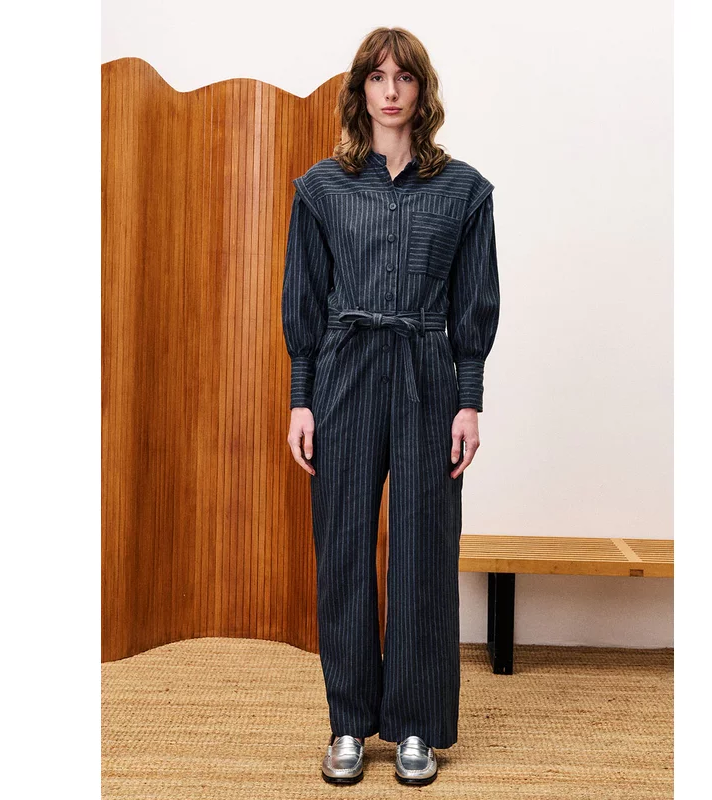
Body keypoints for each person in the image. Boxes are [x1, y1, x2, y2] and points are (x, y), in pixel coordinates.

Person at [281, 26, 500, 786]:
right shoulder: (323, 187)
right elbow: (305, 300)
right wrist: (301, 399)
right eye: (377, 77)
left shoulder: (463, 191)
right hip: (343, 374)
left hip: (427, 375)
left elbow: (473, 302)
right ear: (360, 90)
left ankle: (415, 725)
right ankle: (348, 722)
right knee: (342, 546)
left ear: (422, 89)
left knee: (424, 550)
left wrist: (468, 400)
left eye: (404, 76)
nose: (391, 90)